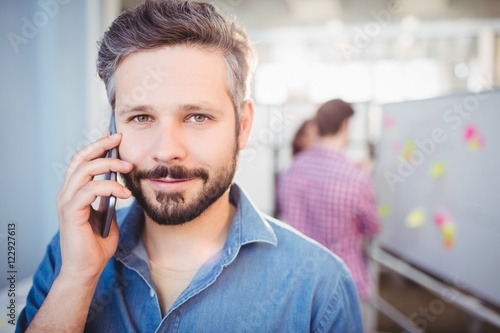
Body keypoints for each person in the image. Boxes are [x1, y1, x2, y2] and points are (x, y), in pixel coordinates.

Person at [17, 2, 363, 332]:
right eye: (140, 117)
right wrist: (79, 277)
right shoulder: (68, 258)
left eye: (197, 117)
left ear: (242, 126)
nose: (166, 151)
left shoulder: (320, 286)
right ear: (112, 130)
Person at [278, 99, 380, 330]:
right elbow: (372, 227)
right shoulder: (357, 179)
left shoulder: (291, 171)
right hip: (347, 287)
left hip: (301, 285)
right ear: (345, 126)